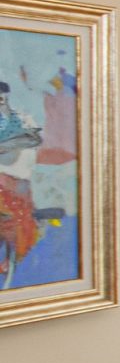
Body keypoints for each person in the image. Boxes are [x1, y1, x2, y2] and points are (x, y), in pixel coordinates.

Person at [0, 80, 43, 282]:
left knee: (20, 221)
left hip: (18, 179)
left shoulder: (20, 118)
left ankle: (11, 259)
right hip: (4, 179)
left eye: (2, 97)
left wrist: (7, 145)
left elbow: (34, 138)